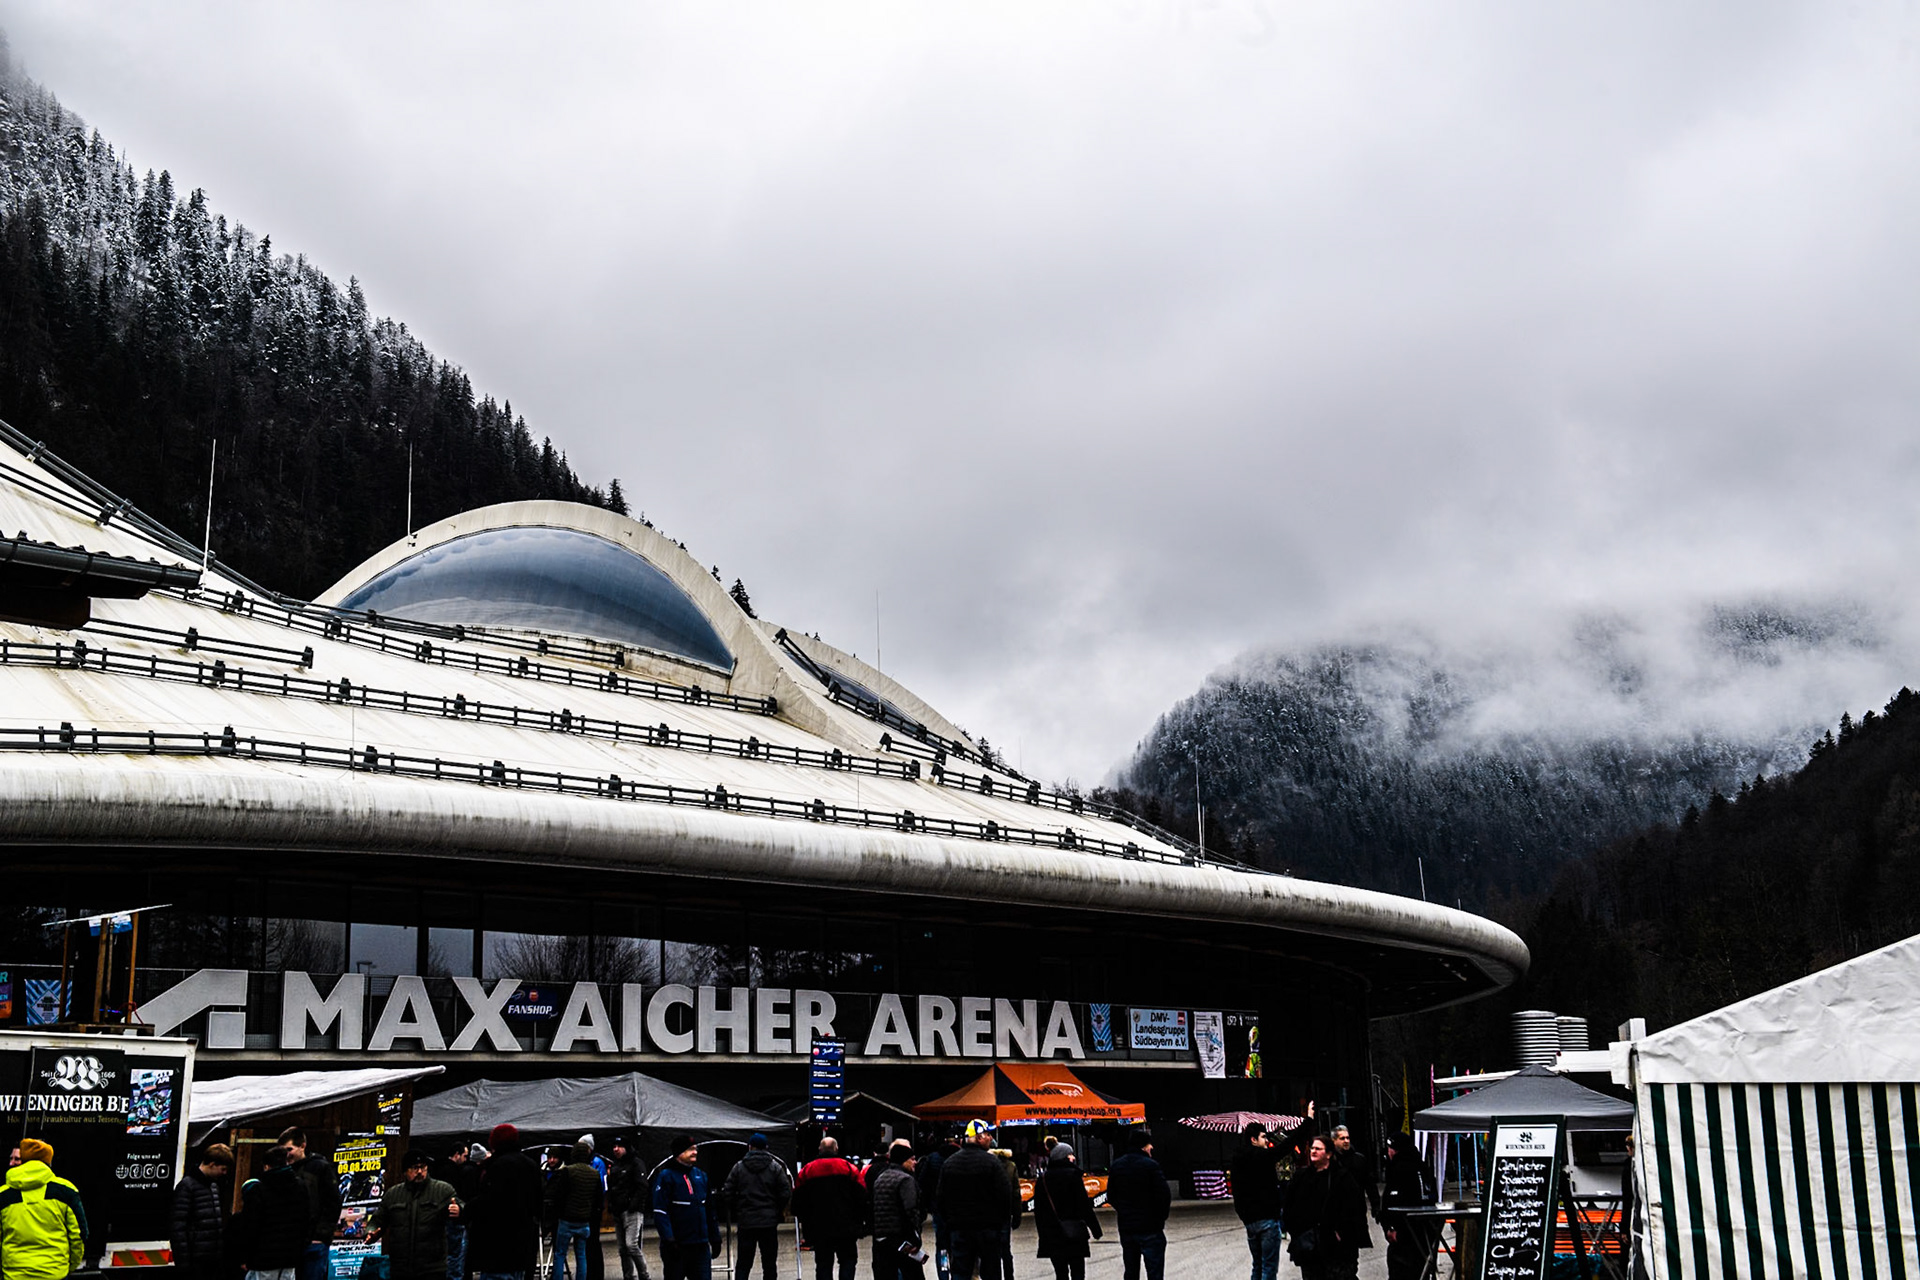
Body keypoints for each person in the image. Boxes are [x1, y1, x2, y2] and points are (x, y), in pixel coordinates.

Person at [933, 1120, 1018, 1280]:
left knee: (961, 1272)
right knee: (991, 1272)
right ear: (979, 1138)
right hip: (987, 1230)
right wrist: (1000, 1225)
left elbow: (941, 1199)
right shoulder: (992, 1163)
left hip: (960, 1230)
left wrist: (950, 1223)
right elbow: (1004, 1196)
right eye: (987, 1135)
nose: (990, 1138)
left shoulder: (950, 1163)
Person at [1285, 1136, 1371, 1280]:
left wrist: (1341, 1232)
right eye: (1312, 1148)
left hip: (1335, 1247)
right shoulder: (1301, 1177)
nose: (1313, 1151)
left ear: (1329, 1154)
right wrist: (1296, 1232)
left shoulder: (1341, 1177)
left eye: (1318, 1149)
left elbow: (1355, 1207)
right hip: (1309, 1246)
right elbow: (1289, 1206)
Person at [1, 1139, 87, 1280]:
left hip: (15, 1275)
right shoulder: (67, 1191)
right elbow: (79, 1235)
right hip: (55, 1273)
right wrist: (68, 1266)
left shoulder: (4, 1195)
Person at [372, 1151, 463, 1280]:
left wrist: (459, 1210)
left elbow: (463, 1208)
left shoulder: (442, 1190)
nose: (420, 1172)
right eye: (415, 1168)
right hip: (401, 1267)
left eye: (423, 1167)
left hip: (432, 1267)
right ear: (405, 1171)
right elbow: (378, 1219)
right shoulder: (393, 1195)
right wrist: (371, 1232)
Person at [468, 1125, 542, 1280]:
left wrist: (466, 1210)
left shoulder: (496, 1167)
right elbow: (538, 1202)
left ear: (494, 1143)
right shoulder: (531, 1165)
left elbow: (488, 1202)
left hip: (497, 1245)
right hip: (522, 1243)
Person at [233, 1144, 313, 1280]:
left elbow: (250, 1226)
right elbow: (306, 1219)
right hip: (290, 1256)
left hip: (264, 1257)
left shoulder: (258, 1190)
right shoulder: (300, 1186)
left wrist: (245, 1257)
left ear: (266, 1166)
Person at [792, 1137, 864, 1280]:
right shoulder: (849, 1169)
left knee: (823, 1264)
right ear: (836, 1149)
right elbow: (862, 1196)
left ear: (820, 1149)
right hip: (846, 1228)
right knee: (848, 1260)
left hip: (819, 1228)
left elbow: (798, 1201)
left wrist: (805, 1221)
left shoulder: (808, 1170)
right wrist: (859, 1222)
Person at [721, 1133, 790, 1280]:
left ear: (750, 1147)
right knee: (769, 1263)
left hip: (747, 1221)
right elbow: (785, 1192)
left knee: (744, 1263)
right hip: (768, 1222)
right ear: (766, 1148)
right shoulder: (775, 1167)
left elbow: (728, 1192)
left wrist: (738, 1210)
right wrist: (776, 1210)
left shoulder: (739, 1167)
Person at [651, 1134, 719, 1280]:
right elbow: (660, 1211)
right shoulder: (666, 1176)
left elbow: (709, 1209)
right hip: (677, 1245)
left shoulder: (701, 1176)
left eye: (695, 1148)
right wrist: (669, 1239)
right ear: (679, 1153)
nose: (695, 1152)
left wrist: (715, 1237)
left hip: (700, 1246)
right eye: (690, 1149)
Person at [1105, 1129, 1170, 1280]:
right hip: (1150, 1226)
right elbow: (1163, 1195)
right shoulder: (1151, 1166)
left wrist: (1123, 1210)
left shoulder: (1117, 1165)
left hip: (1127, 1226)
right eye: (1149, 1144)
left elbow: (1111, 1195)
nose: (1151, 1147)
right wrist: (1160, 1218)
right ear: (1143, 1147)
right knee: (1154, 1271)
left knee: (1131, 1269)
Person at [1030, 1144, 1100, 1280]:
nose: (1073, 1157)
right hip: (1075, 1231)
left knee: (1060, 1272)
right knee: (1077, 1270)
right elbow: (1084, 1205)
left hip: (1052, 1232)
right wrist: (1095, 1229)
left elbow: (1039, 1210)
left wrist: (1042, 1233)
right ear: (1065, 1157)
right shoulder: (1073, 1176)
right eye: (1071, 1154)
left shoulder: (1043, 1179)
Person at [277, 1129, 339, 1280]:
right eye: (283, 1150)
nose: (287, 1154)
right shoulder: (283, 1170)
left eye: (289, 1149)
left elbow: (333, 1202)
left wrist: (321, 1235)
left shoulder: (320, 1168)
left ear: (302, 1146)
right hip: (291, 1242)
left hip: (314, 1241)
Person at [170, 1142, 235, 1280]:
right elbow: (178, 1227)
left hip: (211, 1260)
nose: (224, 1173)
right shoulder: (186, 1187)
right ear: (211, 1164)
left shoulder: (213, 1186)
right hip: (196, 1262)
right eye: (222, 1169)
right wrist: (184, 1264)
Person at [1231, 1123, 1286, 1280]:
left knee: (1258, 1264)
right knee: (1268, 1267)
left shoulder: (1238, 1160)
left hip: (1251, 1221)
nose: (1266, 1140)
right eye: (1263, 1137)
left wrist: (1243, 1215)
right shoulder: (1262, 1156)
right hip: (1267, 1218)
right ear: (1253, 1140)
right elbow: (1285, 1147)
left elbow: (1236, 1190)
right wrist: (1308, 1121)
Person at [1379, 1134, 1436, 1280]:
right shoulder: (1423, 1167)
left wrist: (1390, 1227)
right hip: (1425, 1232)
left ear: (1395, 1150)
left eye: (1390, 1148)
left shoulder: (1399, 1168)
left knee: (1402, 1270)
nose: (1388, 1152)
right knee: (1421, 1270)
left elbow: (1392, 1201)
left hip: (1406, 1232)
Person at [545, 1143, 603, 1280]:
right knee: (581, 1255)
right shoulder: (594, 1174)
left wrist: (556, 1215)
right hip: (584, 1221)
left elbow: (559, 1196)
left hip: (566, 1220)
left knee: (560, 1254)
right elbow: (598, 1200)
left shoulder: (568, 1171)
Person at [870, 1141, 924, 1280]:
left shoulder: (881, 1178)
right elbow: (910, 1210)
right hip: (902, 1237)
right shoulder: (906, 1180)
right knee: (913, 1274)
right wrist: (915, 1238)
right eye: (911, 1159)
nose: (915, 1162)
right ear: (903, 1161)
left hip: (882, 1238)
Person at [606, 1136, 654, 1280]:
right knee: (623, 1248)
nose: (616, 1149)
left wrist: (634, 1204)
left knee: (631, 1245)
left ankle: (644, 1275)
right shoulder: (615, 1165)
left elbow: (642, 1186)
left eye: (619, 1146)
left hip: (631, 1210)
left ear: (626, 1147)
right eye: (614, 1146)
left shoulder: (636, 1163)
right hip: (618, 1210)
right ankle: (629, 1276)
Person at [433, 1145, 483, 1280]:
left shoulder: (436, 1169)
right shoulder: (454, 1172)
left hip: (439, 1220)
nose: (466, 1159)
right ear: (457, 1154)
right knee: (456, 1256)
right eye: (465, 1156)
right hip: (453, 1218)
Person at [915, 1139, 958, 1280]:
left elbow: (922, 1183)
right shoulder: (960, 1157)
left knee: (943, 1247)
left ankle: (944, 1273)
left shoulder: (932, 1158)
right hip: (957, 1210)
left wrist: (926, 1206)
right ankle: (957, 1273)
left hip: (938, 1209)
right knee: (958, 1245)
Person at [1330, 1128, 1380, 1222]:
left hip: (1358, 1211)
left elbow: (1370, 1185)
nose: (1346, 1141)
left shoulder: (1359, 1160)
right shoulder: (1330, 1162)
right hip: (1337, 1213)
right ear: (1334, 1141)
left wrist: (1376, 1206)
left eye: (1347, 1138)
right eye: (1342, 1138)